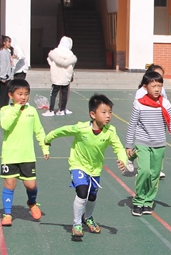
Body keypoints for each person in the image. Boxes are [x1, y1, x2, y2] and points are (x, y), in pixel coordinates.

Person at [44, 94, 128, 240]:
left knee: (92, 196)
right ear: (92, 114)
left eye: (110, 112)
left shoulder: (110, 132)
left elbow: (119, 148)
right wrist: (48, 138)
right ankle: (76, 224)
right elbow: (63, 130)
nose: (108, 115)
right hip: (78, 165)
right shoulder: (81, 128)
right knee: (82, 192)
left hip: (95, 169)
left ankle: (87, 217)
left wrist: (122, 160)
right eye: (104, 112)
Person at [125, 71, 171, 216]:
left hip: (159, 144)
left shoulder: (165, 103)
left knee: (154, 174)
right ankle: (138, 201)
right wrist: (129, 145)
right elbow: (132, 125)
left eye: (160, 86)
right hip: (142, 143)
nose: (157, 89)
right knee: (144, 171)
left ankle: (148, 201)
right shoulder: (139, 104)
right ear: (145, 87)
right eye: (153, 85)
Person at [0, 79, 50, 226]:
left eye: (26, 94)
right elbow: (6, 125)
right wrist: (16, 109)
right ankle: (7, 214)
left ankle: (32, 203)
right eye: (19, 94)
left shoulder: (32, 111)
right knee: (10, 184)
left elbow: (39, 131)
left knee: (31, 186)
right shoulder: (5, 110)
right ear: (10, 95)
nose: (23, 97)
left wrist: (44, 147)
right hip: (10, 155)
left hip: (27, 155)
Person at [136, 64, 168, 178]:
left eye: (161, 76)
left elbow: (165, 104)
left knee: (158, 148)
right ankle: (136, 161)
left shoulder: (162, 90)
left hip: (158, 125)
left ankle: (157, 169)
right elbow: (137, 107)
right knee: (143, 147)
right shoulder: (141, 92)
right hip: (145, 126)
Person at [44, 36, 77, 117]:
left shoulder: (54, 53)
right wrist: (72, 75)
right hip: (66, 77)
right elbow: (72, 66)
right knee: (64, 94)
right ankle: (62, 110)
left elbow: (49, 60)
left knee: (53, 94)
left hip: (56, 77)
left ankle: (51, 110)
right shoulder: (71, 55)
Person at [0, 35, 13, 114]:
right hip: (4, 77)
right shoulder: (3, 52)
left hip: (8, 76)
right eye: (8, 42)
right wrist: (3, 76)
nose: (9, 44)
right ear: (4, 42)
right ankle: (0, 108)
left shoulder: (7, 52)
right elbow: (2, 65)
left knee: (7, 92)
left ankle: (5, 106)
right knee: (3, 92)